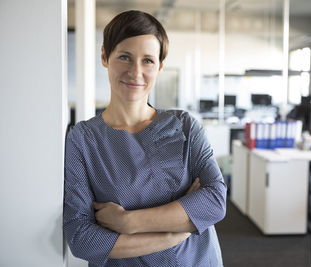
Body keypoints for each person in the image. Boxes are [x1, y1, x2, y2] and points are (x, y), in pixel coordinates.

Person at [63, 10, 227, 267]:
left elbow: (215, 202)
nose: (135, 72)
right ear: (105, 56)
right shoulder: (82, 140)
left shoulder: (185, 126)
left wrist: (129, 222)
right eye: (125, 57)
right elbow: (82, 238)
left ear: (160, 66)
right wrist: (178, 231)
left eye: (148, 60)